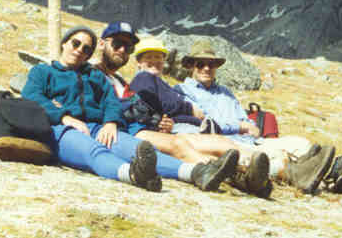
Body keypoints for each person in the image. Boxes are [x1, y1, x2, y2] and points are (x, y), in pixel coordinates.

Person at [20, 24, 238, 193]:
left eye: (86, 49)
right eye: (75, 43)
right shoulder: (43, 72)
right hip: (60, 129)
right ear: (64, 43)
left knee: (137, 148)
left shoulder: (94, 75)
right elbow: (32, 96)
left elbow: (111, 101)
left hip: (97, 126)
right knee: (94, 151)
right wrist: (65, 117)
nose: (79, 50)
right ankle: (132, 174)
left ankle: (196, 172)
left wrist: (110, 122)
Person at [174, 39, 342, 197]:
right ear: (191, 66)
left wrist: (250, 126)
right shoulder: (183, 92)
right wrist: (240, 126)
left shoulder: (226, 92)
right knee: (277, 156)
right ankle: (334, 178)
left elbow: (248, 121)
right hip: (228, 145)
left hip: (254, 140)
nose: (206, 68)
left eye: (211, 64)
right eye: (200, 64)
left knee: (299, 143)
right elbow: (202, 124)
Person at [92, 24, 271, 197]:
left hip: (142, 128)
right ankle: (238, 176)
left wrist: (161, 121)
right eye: (117, 44)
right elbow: (107, 108)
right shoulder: (98, 73)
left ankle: (246, 175)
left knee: (211, 144)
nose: (122, 50)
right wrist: (110, 122)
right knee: (183, 145)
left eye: (128, 47)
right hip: (126, 131)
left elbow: (141, 109)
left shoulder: (120, 80)